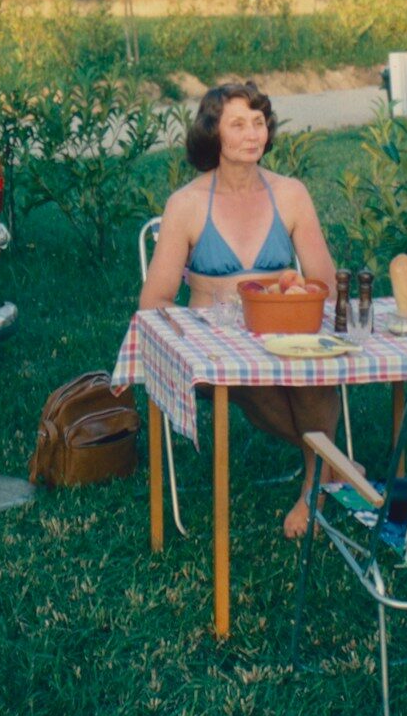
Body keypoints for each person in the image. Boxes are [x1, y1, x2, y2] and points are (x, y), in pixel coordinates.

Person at [139, 82, 341, 539]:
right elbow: (154, 300)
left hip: (284, 328)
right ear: (214, 134)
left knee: (316, 367)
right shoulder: (187, 204)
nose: (253, 134)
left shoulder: (290, 194)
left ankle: (315, 483)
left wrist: (284, 296)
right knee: (250, 377)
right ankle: (331, 463)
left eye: (258, 122)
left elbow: (323, 281)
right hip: (220, 345)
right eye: (238, 124)